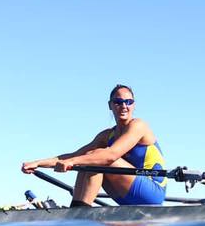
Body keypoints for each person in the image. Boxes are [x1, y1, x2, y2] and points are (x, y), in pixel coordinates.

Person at [21, 85, 167, 207]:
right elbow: (75, 156)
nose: (124, 106)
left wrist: (72, 162)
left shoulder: (139, 125)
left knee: (97, 156)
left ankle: (81, 212)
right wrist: (38, 163)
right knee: (89, 156)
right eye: (118, 101)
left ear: (133, 105)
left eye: (128, 102)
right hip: (126, 195)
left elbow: (110, 156)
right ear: (110, 105)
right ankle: (77, 208)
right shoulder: (106, 135)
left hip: (153, 192)